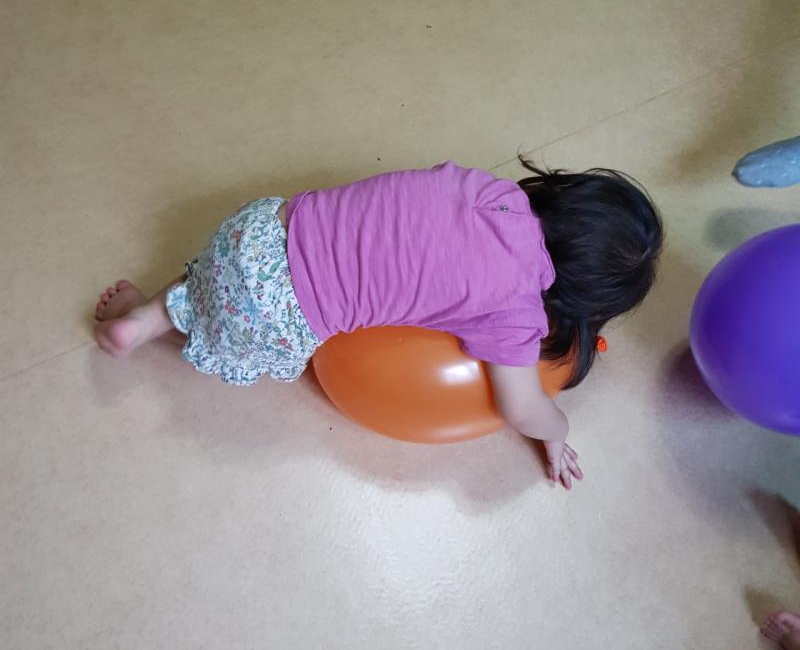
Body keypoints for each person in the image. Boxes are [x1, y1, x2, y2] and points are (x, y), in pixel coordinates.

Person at [94, 158, 663, 489]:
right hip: (274, 313)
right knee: (230, 315)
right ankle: (170, 325)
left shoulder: (492, 191)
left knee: (211, 275)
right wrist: (556, 430)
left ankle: (145, 316)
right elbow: (521, 406)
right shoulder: (516, 311)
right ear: (580, 298)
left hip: (258, 227)